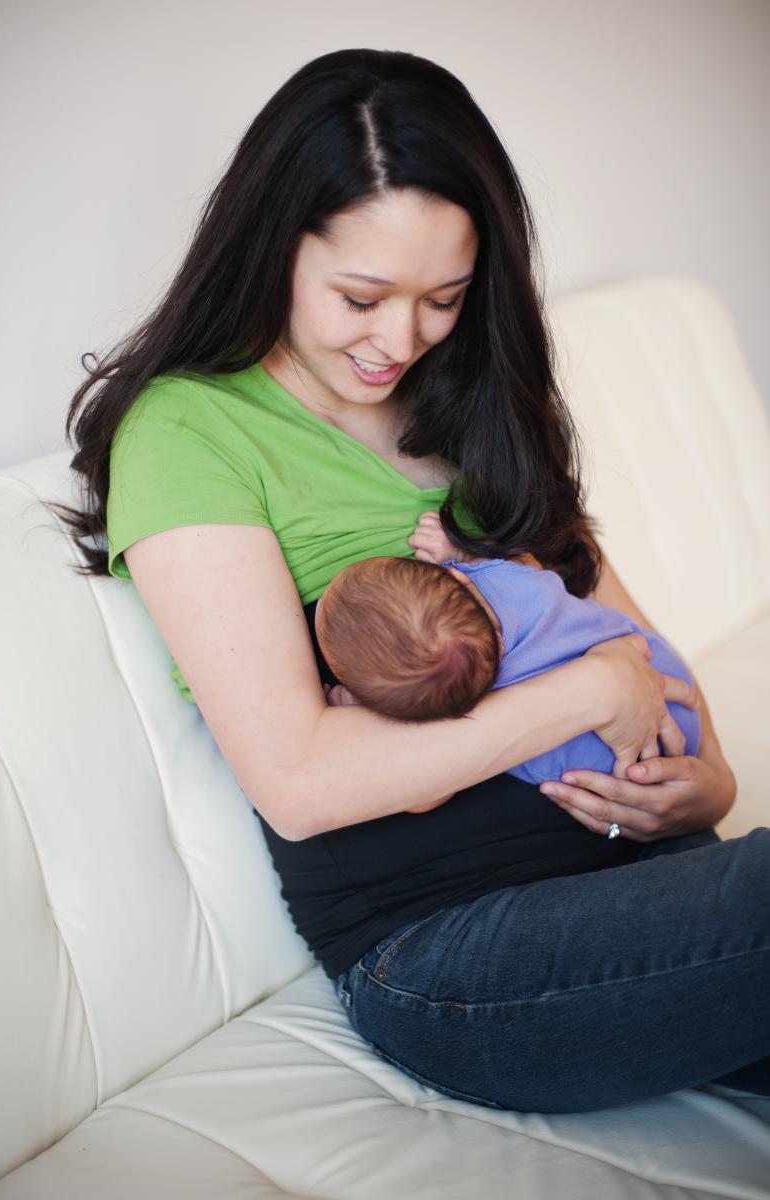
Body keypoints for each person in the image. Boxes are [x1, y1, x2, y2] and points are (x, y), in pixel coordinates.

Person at [55, 48, 768, 1113]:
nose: (401, 339)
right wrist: (579, 698)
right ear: (272, 249)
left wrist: (704, 785)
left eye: (443, 298)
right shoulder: (192, 430)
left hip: (654, 885)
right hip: (457, 957)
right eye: (362, 295)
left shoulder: (476, 408)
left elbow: (628, 644)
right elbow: (299, 781)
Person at [313, 529, 701, 787]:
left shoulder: (453, 712)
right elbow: (528, 563)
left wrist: (356, 708)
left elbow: (425, 794)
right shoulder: (508, 578)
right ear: (459, 577)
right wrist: (461, 552)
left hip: (627, 776)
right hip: (663, 675)